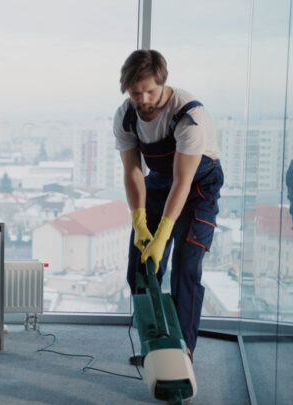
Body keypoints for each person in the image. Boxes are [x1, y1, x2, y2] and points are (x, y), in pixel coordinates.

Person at [113, 49, 224, 362]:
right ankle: (155, 345)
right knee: (141, 269)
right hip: (161, 183)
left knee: (186, 266)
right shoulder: (126, 116)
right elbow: (134, 172)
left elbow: (183, 182)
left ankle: (182, 353)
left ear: (163, 83)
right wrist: (139, 223)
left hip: (199, 188)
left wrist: (162, 237)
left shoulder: (190, 116)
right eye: (136, 92)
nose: (144, 99)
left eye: (150, 90)